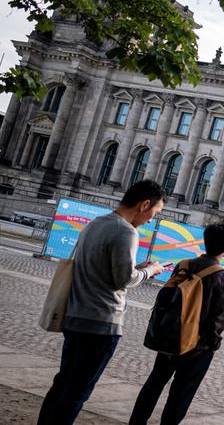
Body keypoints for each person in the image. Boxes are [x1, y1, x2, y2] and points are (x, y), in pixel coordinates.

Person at [39, 180, 167, 425]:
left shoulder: (96, 223)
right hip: (101, 322)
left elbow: (98, 267)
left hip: (75, 315)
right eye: (156, 212)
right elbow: (124, 279)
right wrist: (151, 271)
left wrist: (135, 268)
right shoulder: (126, 231)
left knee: (63, 383)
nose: (153, 219)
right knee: (77, 392)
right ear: (144, 204)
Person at [129, 223, 224, 425]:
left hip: (171, 336)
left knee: (155, 383)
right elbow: (219, 318)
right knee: (181, 394)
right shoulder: (222, 276)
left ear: (204, 242)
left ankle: (136, 421)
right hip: (197, 345)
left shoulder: (184, 265)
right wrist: (211, 345)